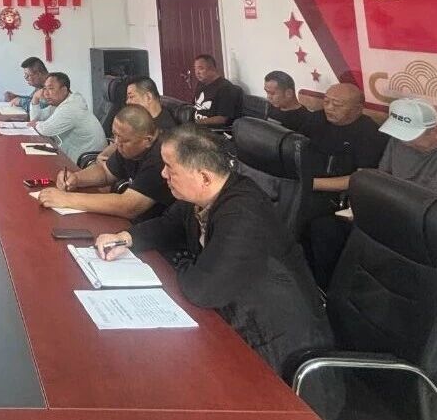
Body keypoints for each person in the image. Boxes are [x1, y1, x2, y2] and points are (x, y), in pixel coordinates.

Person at [92, 126, 333, 380]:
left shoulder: (243, 213)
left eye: (170, 168)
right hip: (233, 323)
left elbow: (202, 289)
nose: (163, 174)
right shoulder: (204, 196)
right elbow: (168, 225)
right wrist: (126, 238)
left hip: (277, 353)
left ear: (204, 177)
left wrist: (181, 262)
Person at [299, 83, 389, 288]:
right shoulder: (316, 119)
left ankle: (320, 288)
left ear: (358, 108)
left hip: (335, 196)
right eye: (326, 101)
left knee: (312, 223)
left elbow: (361, 178)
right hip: (304, 184)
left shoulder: (369, 134)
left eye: (337, 105)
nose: (329, 108)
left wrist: (310, 184)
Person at [37, 105, 173, 222]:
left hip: (160, 230)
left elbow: (130, 206)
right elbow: (106, 172)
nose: (117, 143)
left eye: (124, 140)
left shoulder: (160, 156)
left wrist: (67, 199)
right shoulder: (131, 146)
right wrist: (77, 178)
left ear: (147, 140)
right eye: (115, 135)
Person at [94, 76, 176, 165]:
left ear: (148, 97)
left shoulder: (163, 131)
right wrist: (102, 156)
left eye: (131, 96)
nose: (127, 102)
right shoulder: (142, 121)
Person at [28, 72, 106, 164]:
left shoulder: (71, 107)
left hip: (86, 161)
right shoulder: (59, 104)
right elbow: (36, 119)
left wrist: (35, 124)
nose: (46, 93)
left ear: (64, 90)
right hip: (74, 155)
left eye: (51, 88)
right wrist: (35, 98)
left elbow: (46, 130)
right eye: (44, 88)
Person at [191, 54, 242, 127]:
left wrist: (195, 123)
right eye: (195, 69)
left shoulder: (225, 88)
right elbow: (193, 106)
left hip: (212, 130)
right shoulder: (200, 84)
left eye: (201, 68)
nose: (197, 72)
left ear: (212, 69)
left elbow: (222, 119)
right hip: (196, 127)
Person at [3, 56, 54, 121]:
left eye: (27, 75)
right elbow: (32, 99)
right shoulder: (40, 85)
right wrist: (15, 97)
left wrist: (20, 101)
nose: (25, 77)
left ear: (38, 74)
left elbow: (41, 107)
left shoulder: (52, 84)